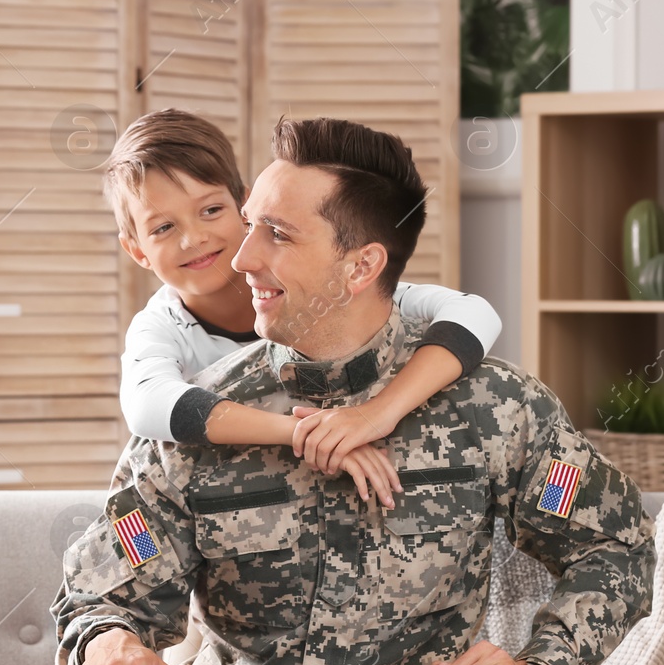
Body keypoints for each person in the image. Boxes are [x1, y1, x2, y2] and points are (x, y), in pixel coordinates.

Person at [37, 116, 654, 665]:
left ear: (361, 265)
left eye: (276, 234)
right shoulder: (192, 419)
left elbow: (614, 545)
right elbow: (103, 591)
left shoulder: (496, 409)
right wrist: (108, 641)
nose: (240, 255)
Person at [110, 107, 501, 508]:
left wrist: (377, 414)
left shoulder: (330, 290)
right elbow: (147, 405)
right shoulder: (160, 328)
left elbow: (474, 313)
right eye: (163, 227)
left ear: (246, 206)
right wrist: (306, 432)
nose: (194, 238)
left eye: (211, 211)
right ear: (137, 249)